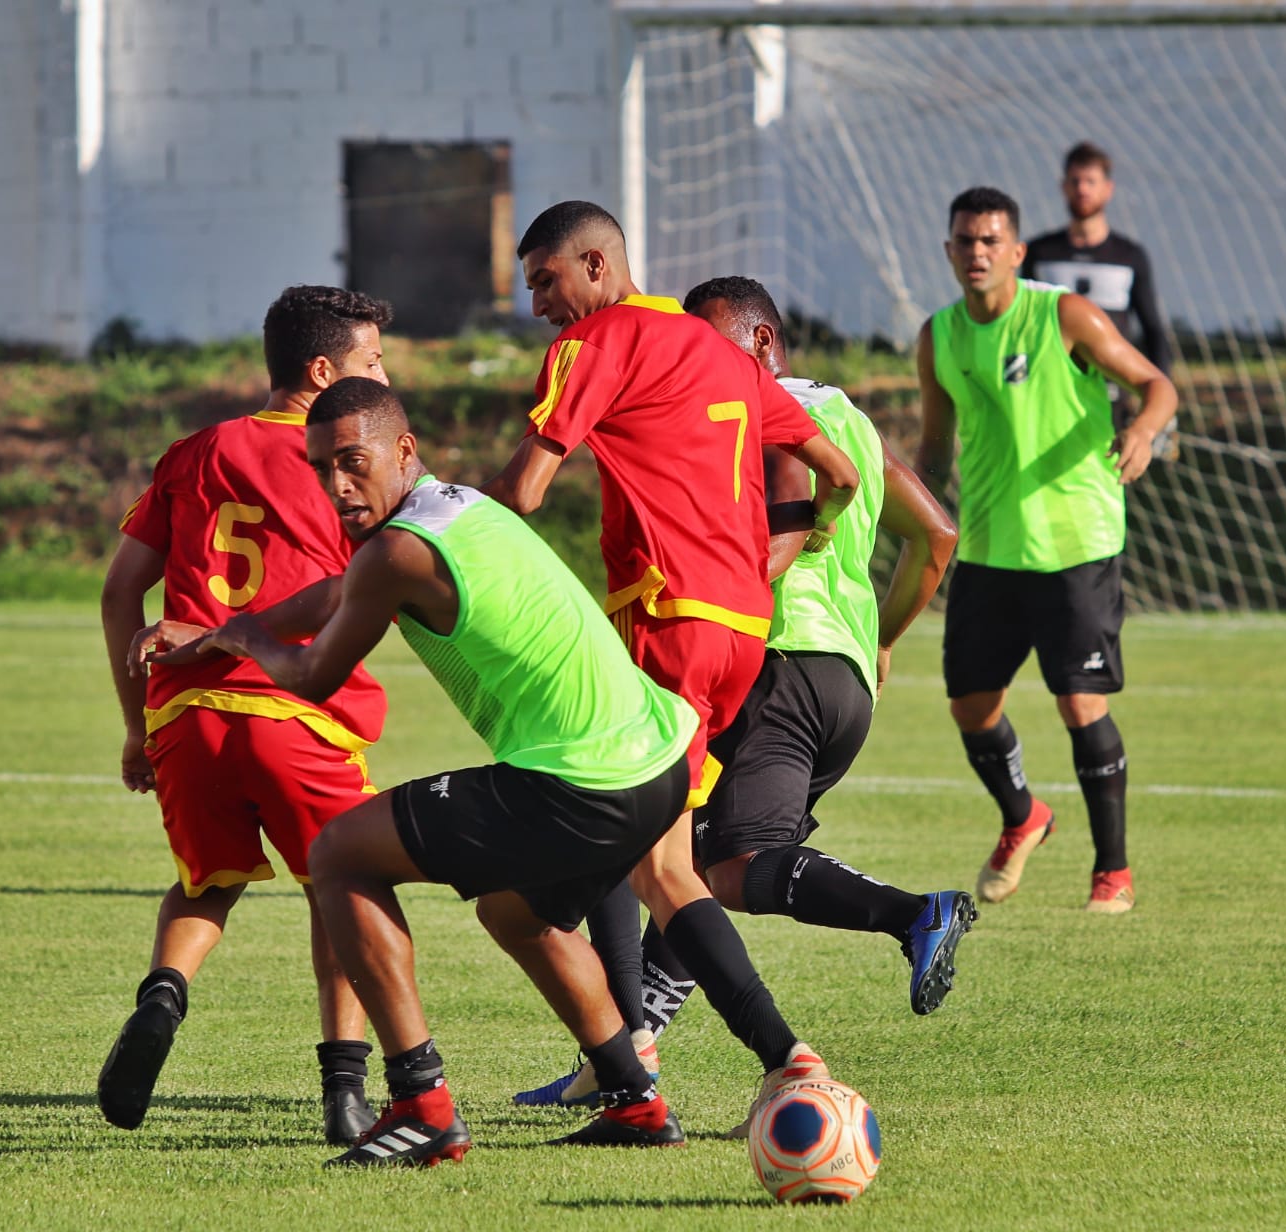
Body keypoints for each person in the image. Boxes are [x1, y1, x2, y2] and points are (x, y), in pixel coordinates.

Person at [139, 378, 700, 1166]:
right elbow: (334, 594)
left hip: (579, 783)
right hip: (659, 763)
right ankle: (636, 1100)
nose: (336, 484)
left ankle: (422, 1105)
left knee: (337, 854)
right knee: (514, 915)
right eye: (321, 466)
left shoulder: (396, 552)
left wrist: (234, 643)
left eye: (352, 461)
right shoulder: (456, 507)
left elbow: (308, 678)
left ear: (403, 450)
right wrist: (227, 631)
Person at [489, 201, 863, 1120]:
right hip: (739, 634)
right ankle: (672, 1065)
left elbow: (526, 493)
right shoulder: (715, 349)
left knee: (587, 860)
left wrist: (429, 539)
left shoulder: (599, 342)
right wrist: (779, 556)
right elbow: (840, 476)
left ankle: (658, 1065)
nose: (537, 304)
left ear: (593, 264)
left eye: (544, 280)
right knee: (662, 865)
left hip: (663, 621)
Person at [615, 275, 971, 1045]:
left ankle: (915, 915)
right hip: (843, 682)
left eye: (711, 344)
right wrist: (879, 638)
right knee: (691, 860)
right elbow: (937, 537)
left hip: (774, 664)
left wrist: (706, 590)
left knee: (725, 862)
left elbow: (782, 532)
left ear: (761, 344)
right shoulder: (847, 418)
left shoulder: (761, 412)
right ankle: (625, 1056)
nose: (696, 363)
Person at [97, 285, 392, 1145]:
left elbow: (122, 592)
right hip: (300, 710)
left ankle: (162, 998)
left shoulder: (195, 451)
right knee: (344, 887)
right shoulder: (343, 459)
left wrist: (137, 726)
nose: (382, 376)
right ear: (322, 371)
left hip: (188, 719)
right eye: (371, 362)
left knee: (206, 884)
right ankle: (345, 1092)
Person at [916, 187, 1178, 915]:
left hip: (1076, 545)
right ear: (949, 251)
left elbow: (1156, 385)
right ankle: (1024, 815)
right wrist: (897, 505)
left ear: (1018, 251)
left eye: (991, 240)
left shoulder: (1063, 315)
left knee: (1079, 702)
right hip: (991, 551)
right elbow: (935, 450)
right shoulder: (938, 336)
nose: (978, 252)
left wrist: (1144, 432)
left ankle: (1113, 873)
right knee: (970, 707)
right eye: (966, 240)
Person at [1022, 141, 1178, 462]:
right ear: (1064, 187)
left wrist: (1159, 401)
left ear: (1108, 189)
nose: (1082, 189)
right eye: (1075, 181)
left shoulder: (1129, 256)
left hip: (1113, 391)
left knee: (1112, 471)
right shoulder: (1039, 252)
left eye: (1090, 181)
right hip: (1050, 391)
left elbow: (1152, 329)